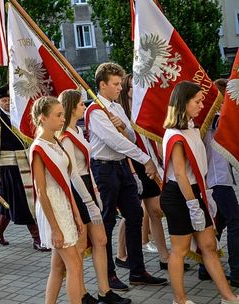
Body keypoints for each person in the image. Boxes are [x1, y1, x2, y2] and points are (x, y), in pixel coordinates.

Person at [86, 62, 167, 290]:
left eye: (121, 83)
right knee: (108, 221)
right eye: (116, 84)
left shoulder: (117, 108)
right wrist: (146, 159)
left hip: (122, 167)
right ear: (102, 85)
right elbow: (115, 142)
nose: (120, 87)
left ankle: (138, 271)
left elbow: (130, 136)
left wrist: (123, 124)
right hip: (105, 169)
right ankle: (109, 274)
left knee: (134, 216)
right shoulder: (95, 111)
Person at [160, 80, 239, 304]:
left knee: (209, 246)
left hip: (195, 192)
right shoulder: (175, 134)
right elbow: (181, 174)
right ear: (184, 103)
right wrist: (193, 205)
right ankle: (180, 300)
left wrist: (203, 198)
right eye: (197, 101)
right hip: (180, 196)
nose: (202, 105)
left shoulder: (192, 128)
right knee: (180, 250)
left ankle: (228, 297)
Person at [59, 89, 131, 304]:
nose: (84, 107)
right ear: (72, 107)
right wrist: (89, 200)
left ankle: (104, 291)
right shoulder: (65, 137)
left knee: (100, 240)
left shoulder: (79, 132)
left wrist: (95, 193)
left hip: (89, 187)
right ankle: (81, 294)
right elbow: (72, 172)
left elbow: (87, 165)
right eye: (81, 104)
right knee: (80, 249)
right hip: (78, 191)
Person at [115, 73, 189, 271]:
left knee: (155, 210)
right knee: (131, 212)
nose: (133, 90)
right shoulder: (120, 112)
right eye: (129, 86)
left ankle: (164, 256)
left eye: (135, 87)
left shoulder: (143, 109)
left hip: (147, 161)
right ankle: (121, 254)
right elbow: (124, 143)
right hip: (132, 163)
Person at [29, 96, 83, 303]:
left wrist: (76, 215)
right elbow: (41, 191)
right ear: (43, 118)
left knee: (58, 267)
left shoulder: (56, 142)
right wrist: (55, 228)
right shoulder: (38, 148)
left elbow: (67, 183)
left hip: (65, 205)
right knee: (75, 265)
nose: (63, 118)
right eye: (58, 115)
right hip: (53, 209)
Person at [0, 84, 48, 251]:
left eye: (9, 100)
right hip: (9, 168)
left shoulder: (18, 116)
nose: (7, 103)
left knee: (9, 203)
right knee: (25, 202)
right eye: (3, 100)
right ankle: (37, 238)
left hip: (25, 163)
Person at [198, 79, 239, 287]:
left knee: (220, 222)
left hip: (222, 180)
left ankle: (205, 267)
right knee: (235, 221)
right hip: (217, 181)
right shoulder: (215, 119)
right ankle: (237, 271)